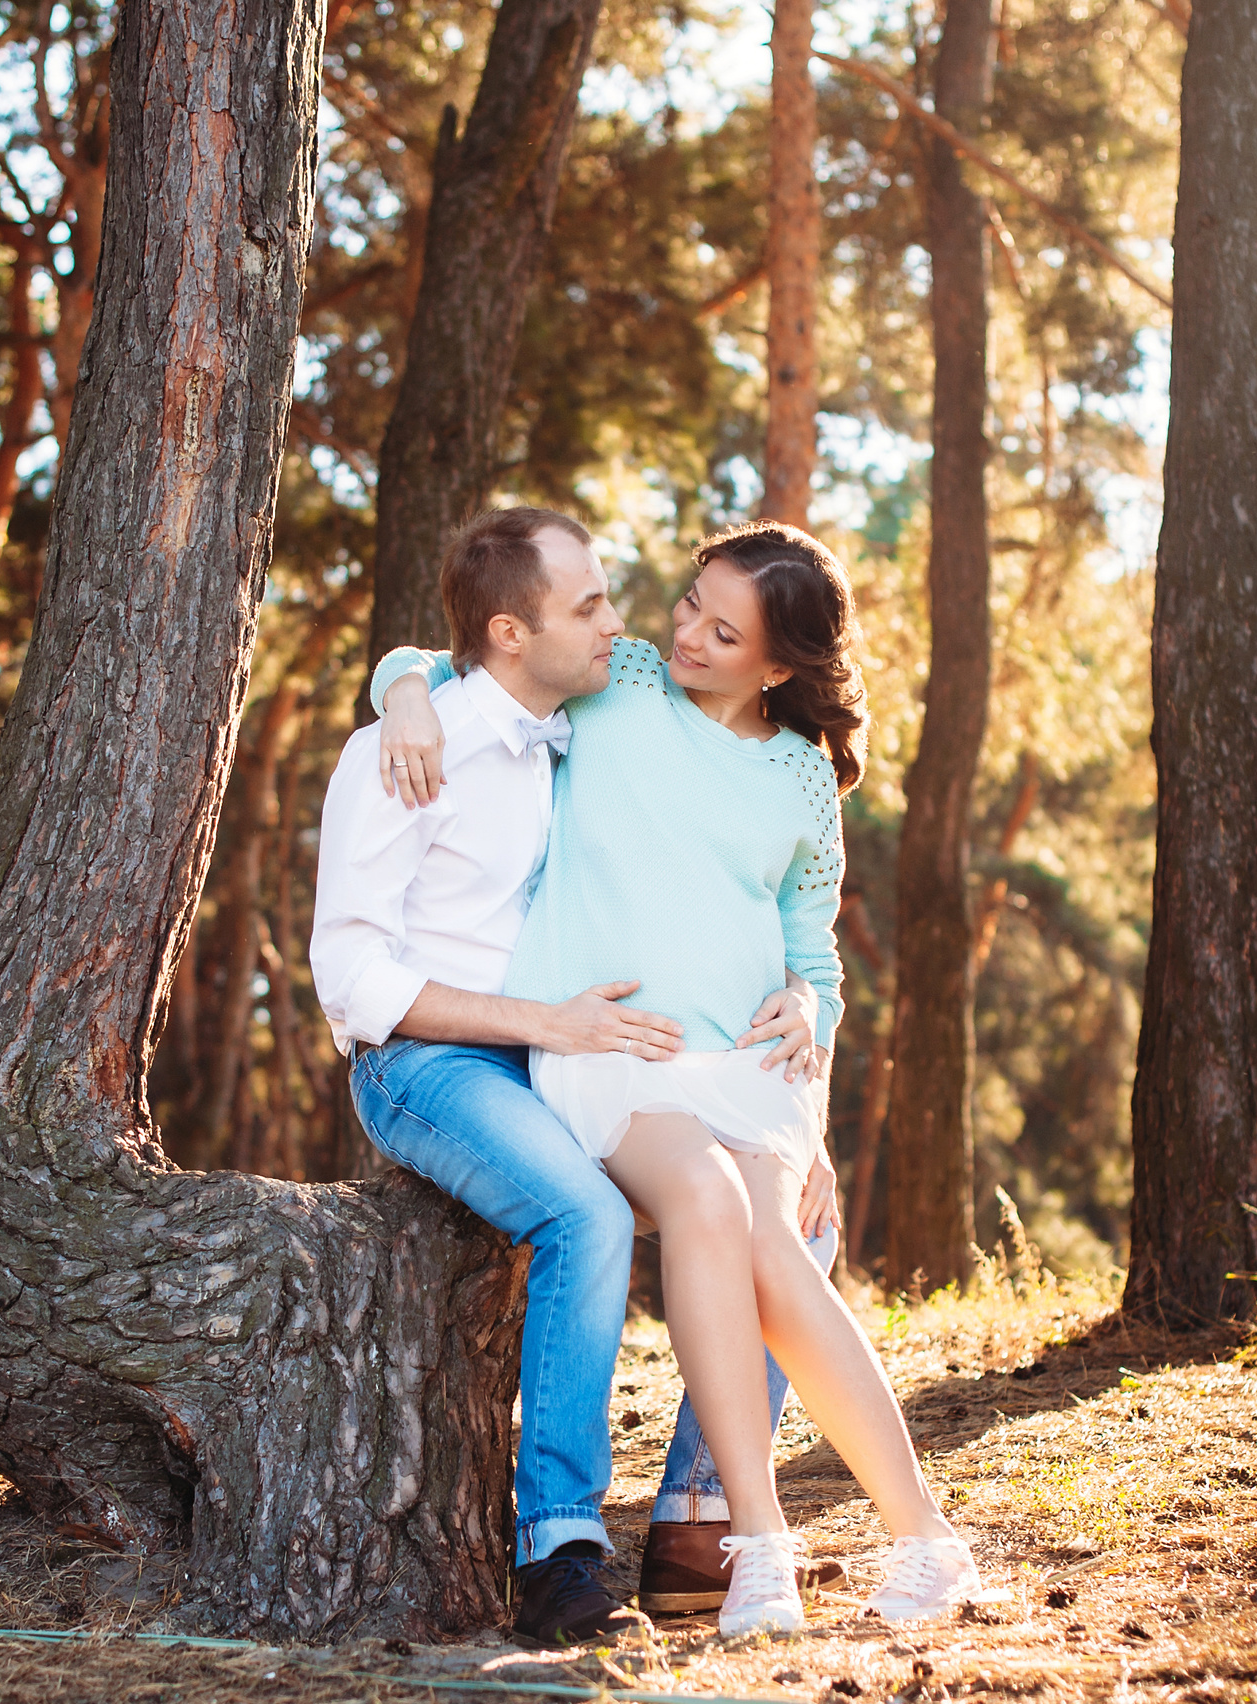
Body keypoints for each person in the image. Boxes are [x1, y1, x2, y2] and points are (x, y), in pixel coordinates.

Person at [371, 518, 987, 1638]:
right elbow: (475, 659)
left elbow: (815, 959)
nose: (686, 631)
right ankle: (760, 1545)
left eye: (723, 626)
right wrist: (399, 686)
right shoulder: (621, 686)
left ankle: (926, 1544)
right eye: (691, 602)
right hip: (613, 1050)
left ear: (782, 663)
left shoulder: (803, 780)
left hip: (750, 1069)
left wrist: (810, 1046)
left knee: (781, 1255)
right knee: (703, 1198)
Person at [308, 507, 826, 1647]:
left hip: (567, 1048)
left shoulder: (583, 718)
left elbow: (772, 919)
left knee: (786, 1219)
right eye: (591, 605)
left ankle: (701, 1521)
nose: (626, 622)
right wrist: (404, 691)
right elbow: (349, 977)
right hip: (429, 1060)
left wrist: (802, 1078)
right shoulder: (406, 748)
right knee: (585, 1217)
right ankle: (558, 1547)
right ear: (511, 630)